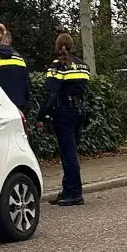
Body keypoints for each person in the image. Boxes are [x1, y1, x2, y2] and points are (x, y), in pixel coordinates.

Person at [39, 32, 90, 206]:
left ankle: (74, 192)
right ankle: (67, 190)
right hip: (79, 111)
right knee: (72, 151)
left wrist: (42, 115)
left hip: (63, 111)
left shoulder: (57, 66)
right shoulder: (82, 65)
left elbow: (50, 92)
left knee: (67, 153)